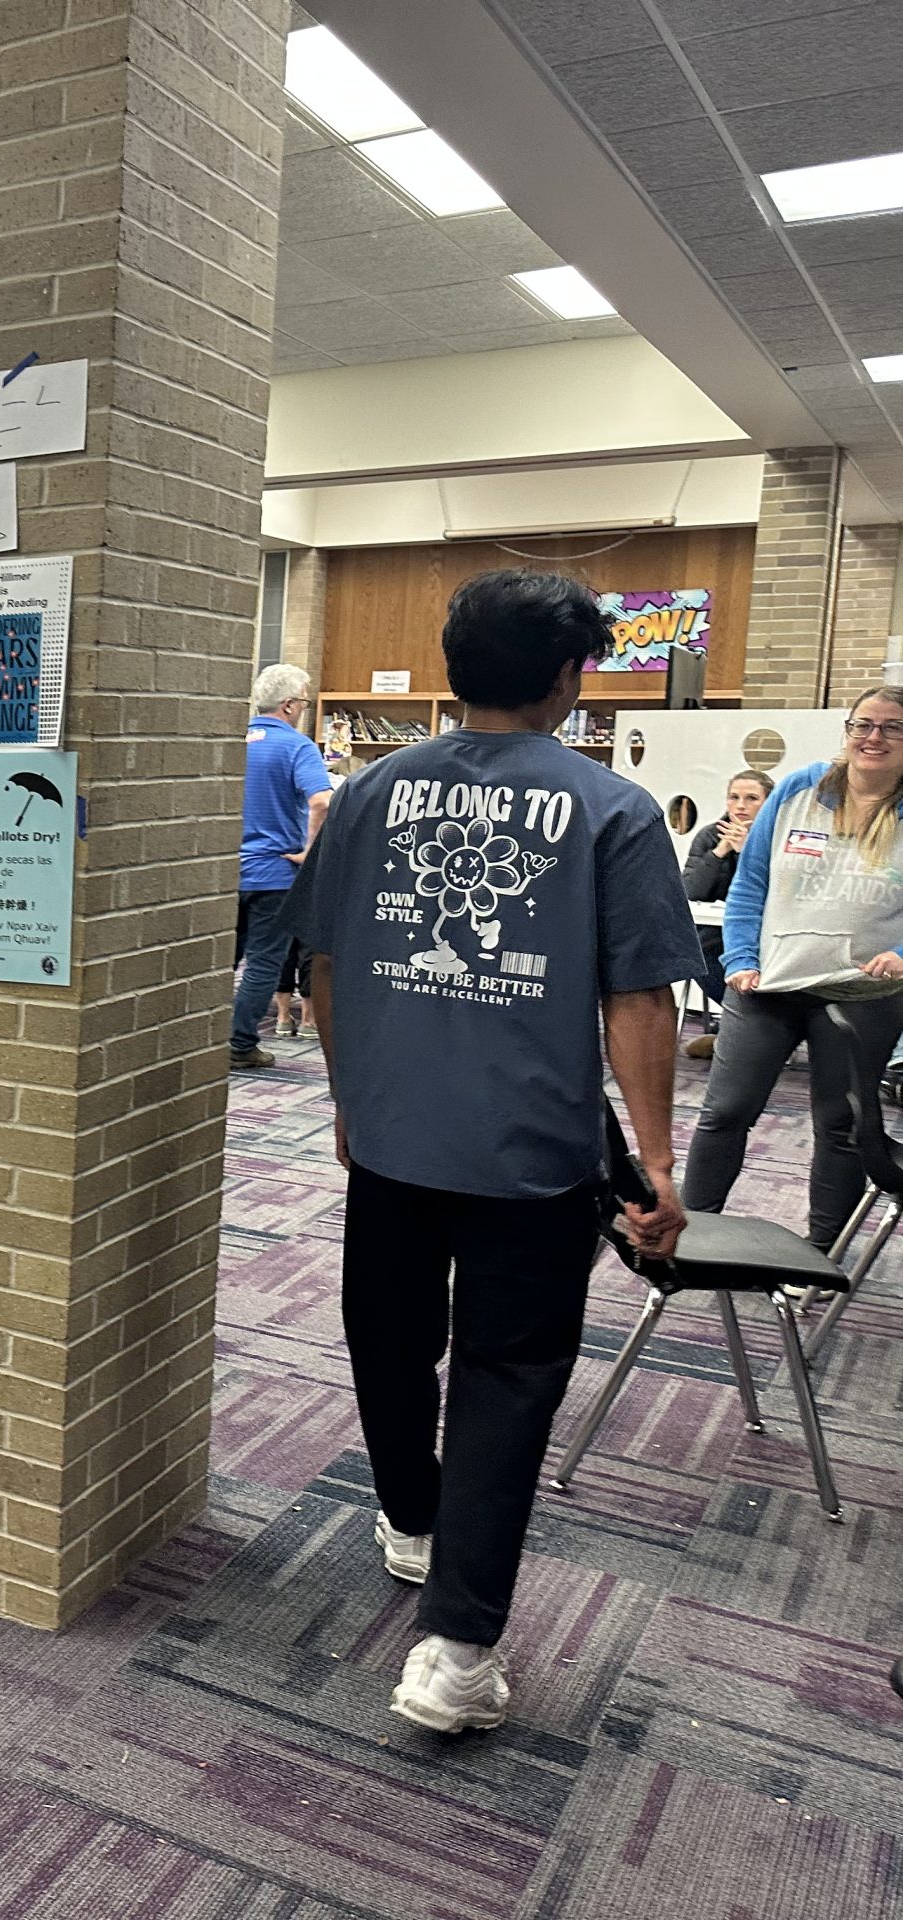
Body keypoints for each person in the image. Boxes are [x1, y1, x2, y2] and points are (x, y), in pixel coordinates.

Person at [289, 569, 699, 1735]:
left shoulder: (366, 796)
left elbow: (320, 963)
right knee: (505, 1382)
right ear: (570, 680)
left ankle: (412, 1519)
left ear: (453, 665)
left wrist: (347, 1092)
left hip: (393, 1139)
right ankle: (457, 1651)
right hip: (532, 1153)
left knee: (387, 1338)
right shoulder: (609, 809)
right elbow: (638, 999)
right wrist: (659, 1165)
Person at [681, 689, 903, 1247]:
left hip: (862, 994)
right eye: (864, 724)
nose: (873, 738)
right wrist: (740, 957)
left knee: (841, 1127)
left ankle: (822, 1255)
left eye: (892, 728)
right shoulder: (802, 789)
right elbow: (752, 883)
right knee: (724, 1112)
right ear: (848, 730)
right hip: (768, 984)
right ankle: (685, 1237)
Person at [231, 663, 332, 1069]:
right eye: (305, 701)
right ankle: (239, 1044)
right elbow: (323, 801)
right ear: (289, 705)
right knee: (264, 963)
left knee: (222, 961)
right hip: (272, 875)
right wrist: (310, 852)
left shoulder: (236, 740)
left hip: (228, 871)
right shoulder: (297, 747)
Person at [678, 769, 772, 1058]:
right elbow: (690, 890)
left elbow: (773, 890)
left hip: (764, 928)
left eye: (751, 798)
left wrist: (747, 851)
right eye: (734, 797)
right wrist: (720, 851)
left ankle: (742, 1027)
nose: (740, 806)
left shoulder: (776, 833)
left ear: (768, 802)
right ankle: (740, 1022)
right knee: (693, 949)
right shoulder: (710, 834)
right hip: (716, 928)